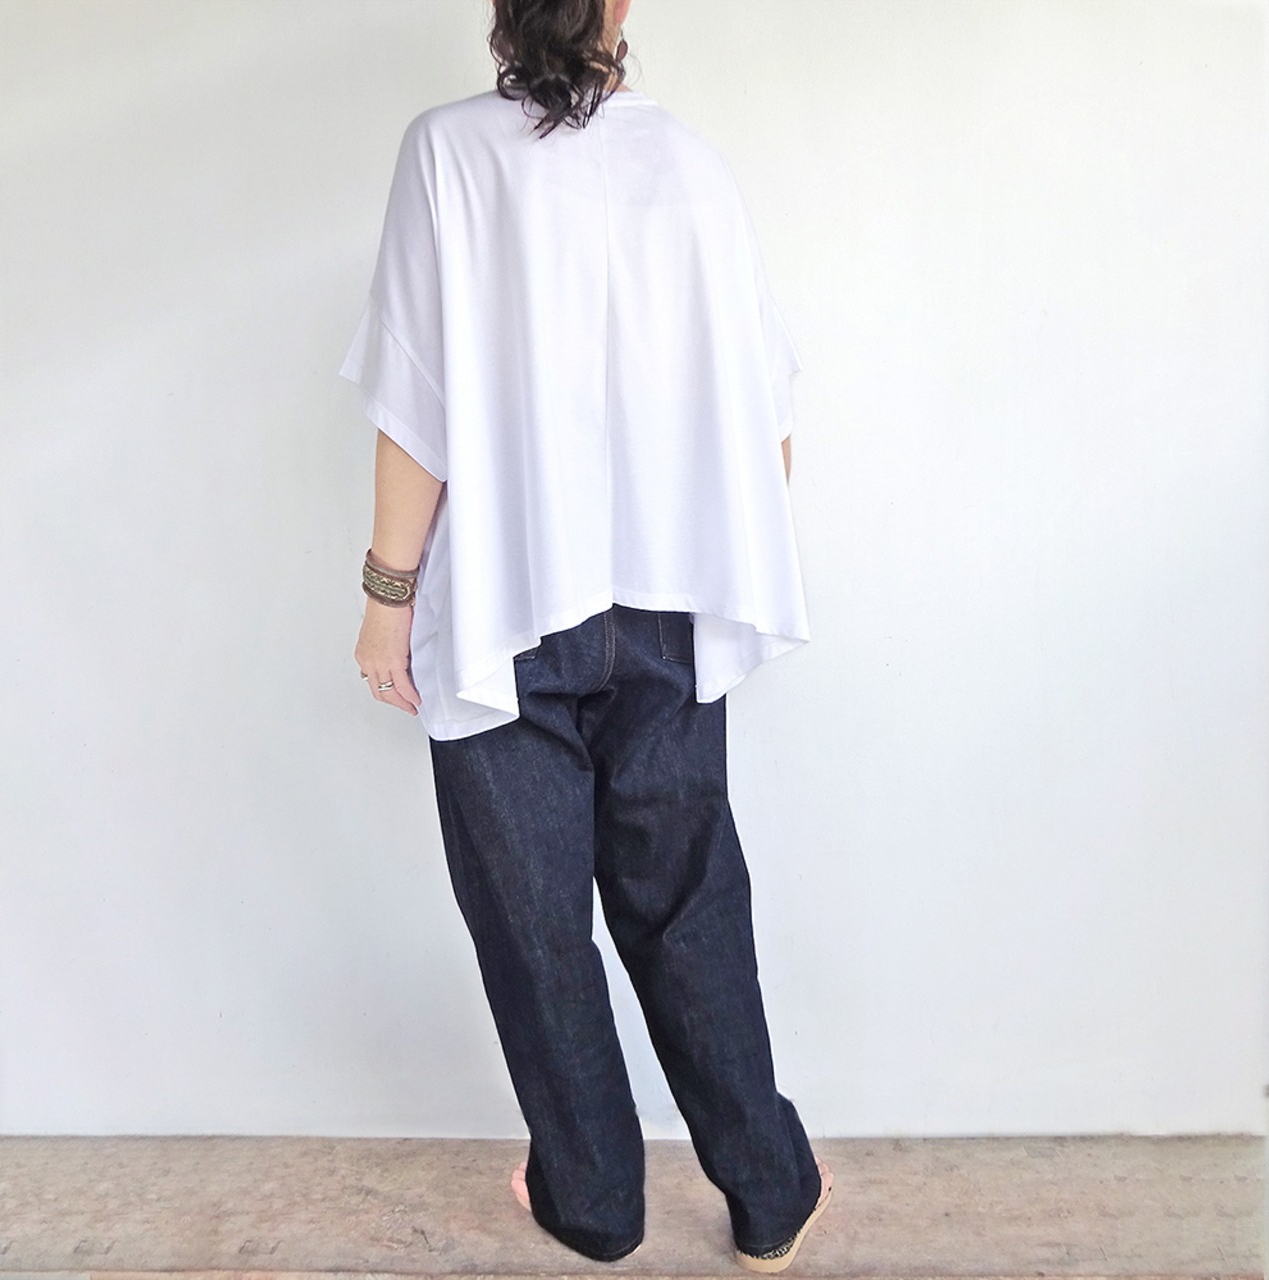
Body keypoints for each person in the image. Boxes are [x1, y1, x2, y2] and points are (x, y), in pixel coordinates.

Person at [342, 0, 832, 1270]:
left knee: (533, 917)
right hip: (666, 604)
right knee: (686, 903)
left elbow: (414, 404)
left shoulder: (447, 153)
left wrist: (388, 595)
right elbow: (764, 419)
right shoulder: (692, 167)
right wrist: (718, 570)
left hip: (508, 604)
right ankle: (769, 1189)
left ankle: (595, 1198)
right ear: (619, 9)